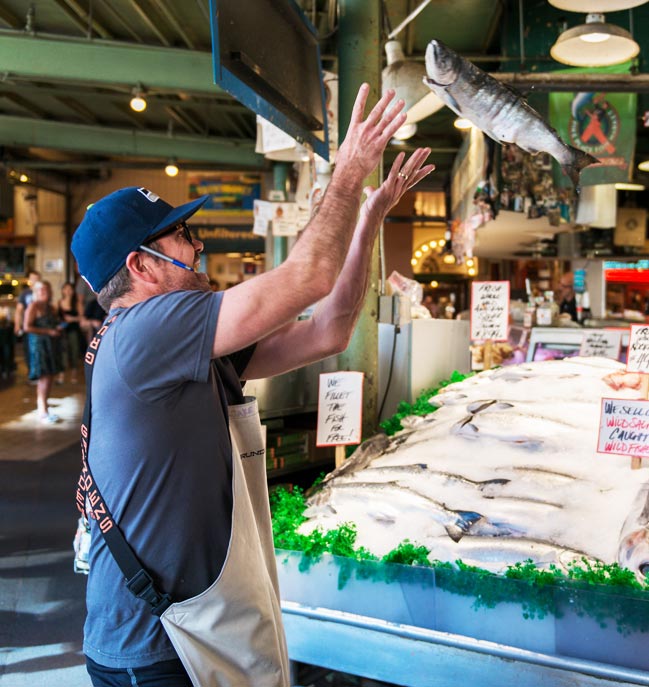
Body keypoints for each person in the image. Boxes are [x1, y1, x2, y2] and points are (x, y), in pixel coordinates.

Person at [70, 83, 433, 687]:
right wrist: (348, 175)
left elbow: (329, 332)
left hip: (186, 629)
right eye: (180, 237)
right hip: (154, 648)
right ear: (139, 266)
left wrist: (369, 219)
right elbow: (309, 274)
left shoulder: (180, 339)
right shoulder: (143, 329)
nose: (198, 243)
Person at [23, 280, 64, 424]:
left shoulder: (51, 307)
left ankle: (44, 408)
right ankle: (42, 411)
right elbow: (27, 327)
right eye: (41, 290)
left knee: (50, 376)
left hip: (51, 345)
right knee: (44, 377)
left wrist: (57, 328)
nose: (45, 292)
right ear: (36, 292)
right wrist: (48, 331)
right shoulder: (33, 306)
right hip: (39, 346)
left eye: (47, 289)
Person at [13, 269, 41, 378]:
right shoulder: (25, 293)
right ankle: (32, 373)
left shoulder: (42, 291)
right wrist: (17, 325)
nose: (35, 281)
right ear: (29, 280)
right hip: (28, 326)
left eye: (37, 279)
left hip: (40, 326)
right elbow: (19, 310)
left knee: (39, 350)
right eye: (33, 278)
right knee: (29, 350)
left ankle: (39, 373)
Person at [57, 281, 83, 383]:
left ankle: (74, 374)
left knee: (74, 351)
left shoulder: (76, 303)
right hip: (62, 331)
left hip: (74, 330)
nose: (68, 291)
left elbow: (82, 318)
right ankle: (61, 375)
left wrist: (72, 319)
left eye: (70, 289)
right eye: (66, 289)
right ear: (63, 290)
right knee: (63, 352)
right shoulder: (59, 302)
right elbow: (56, 317)